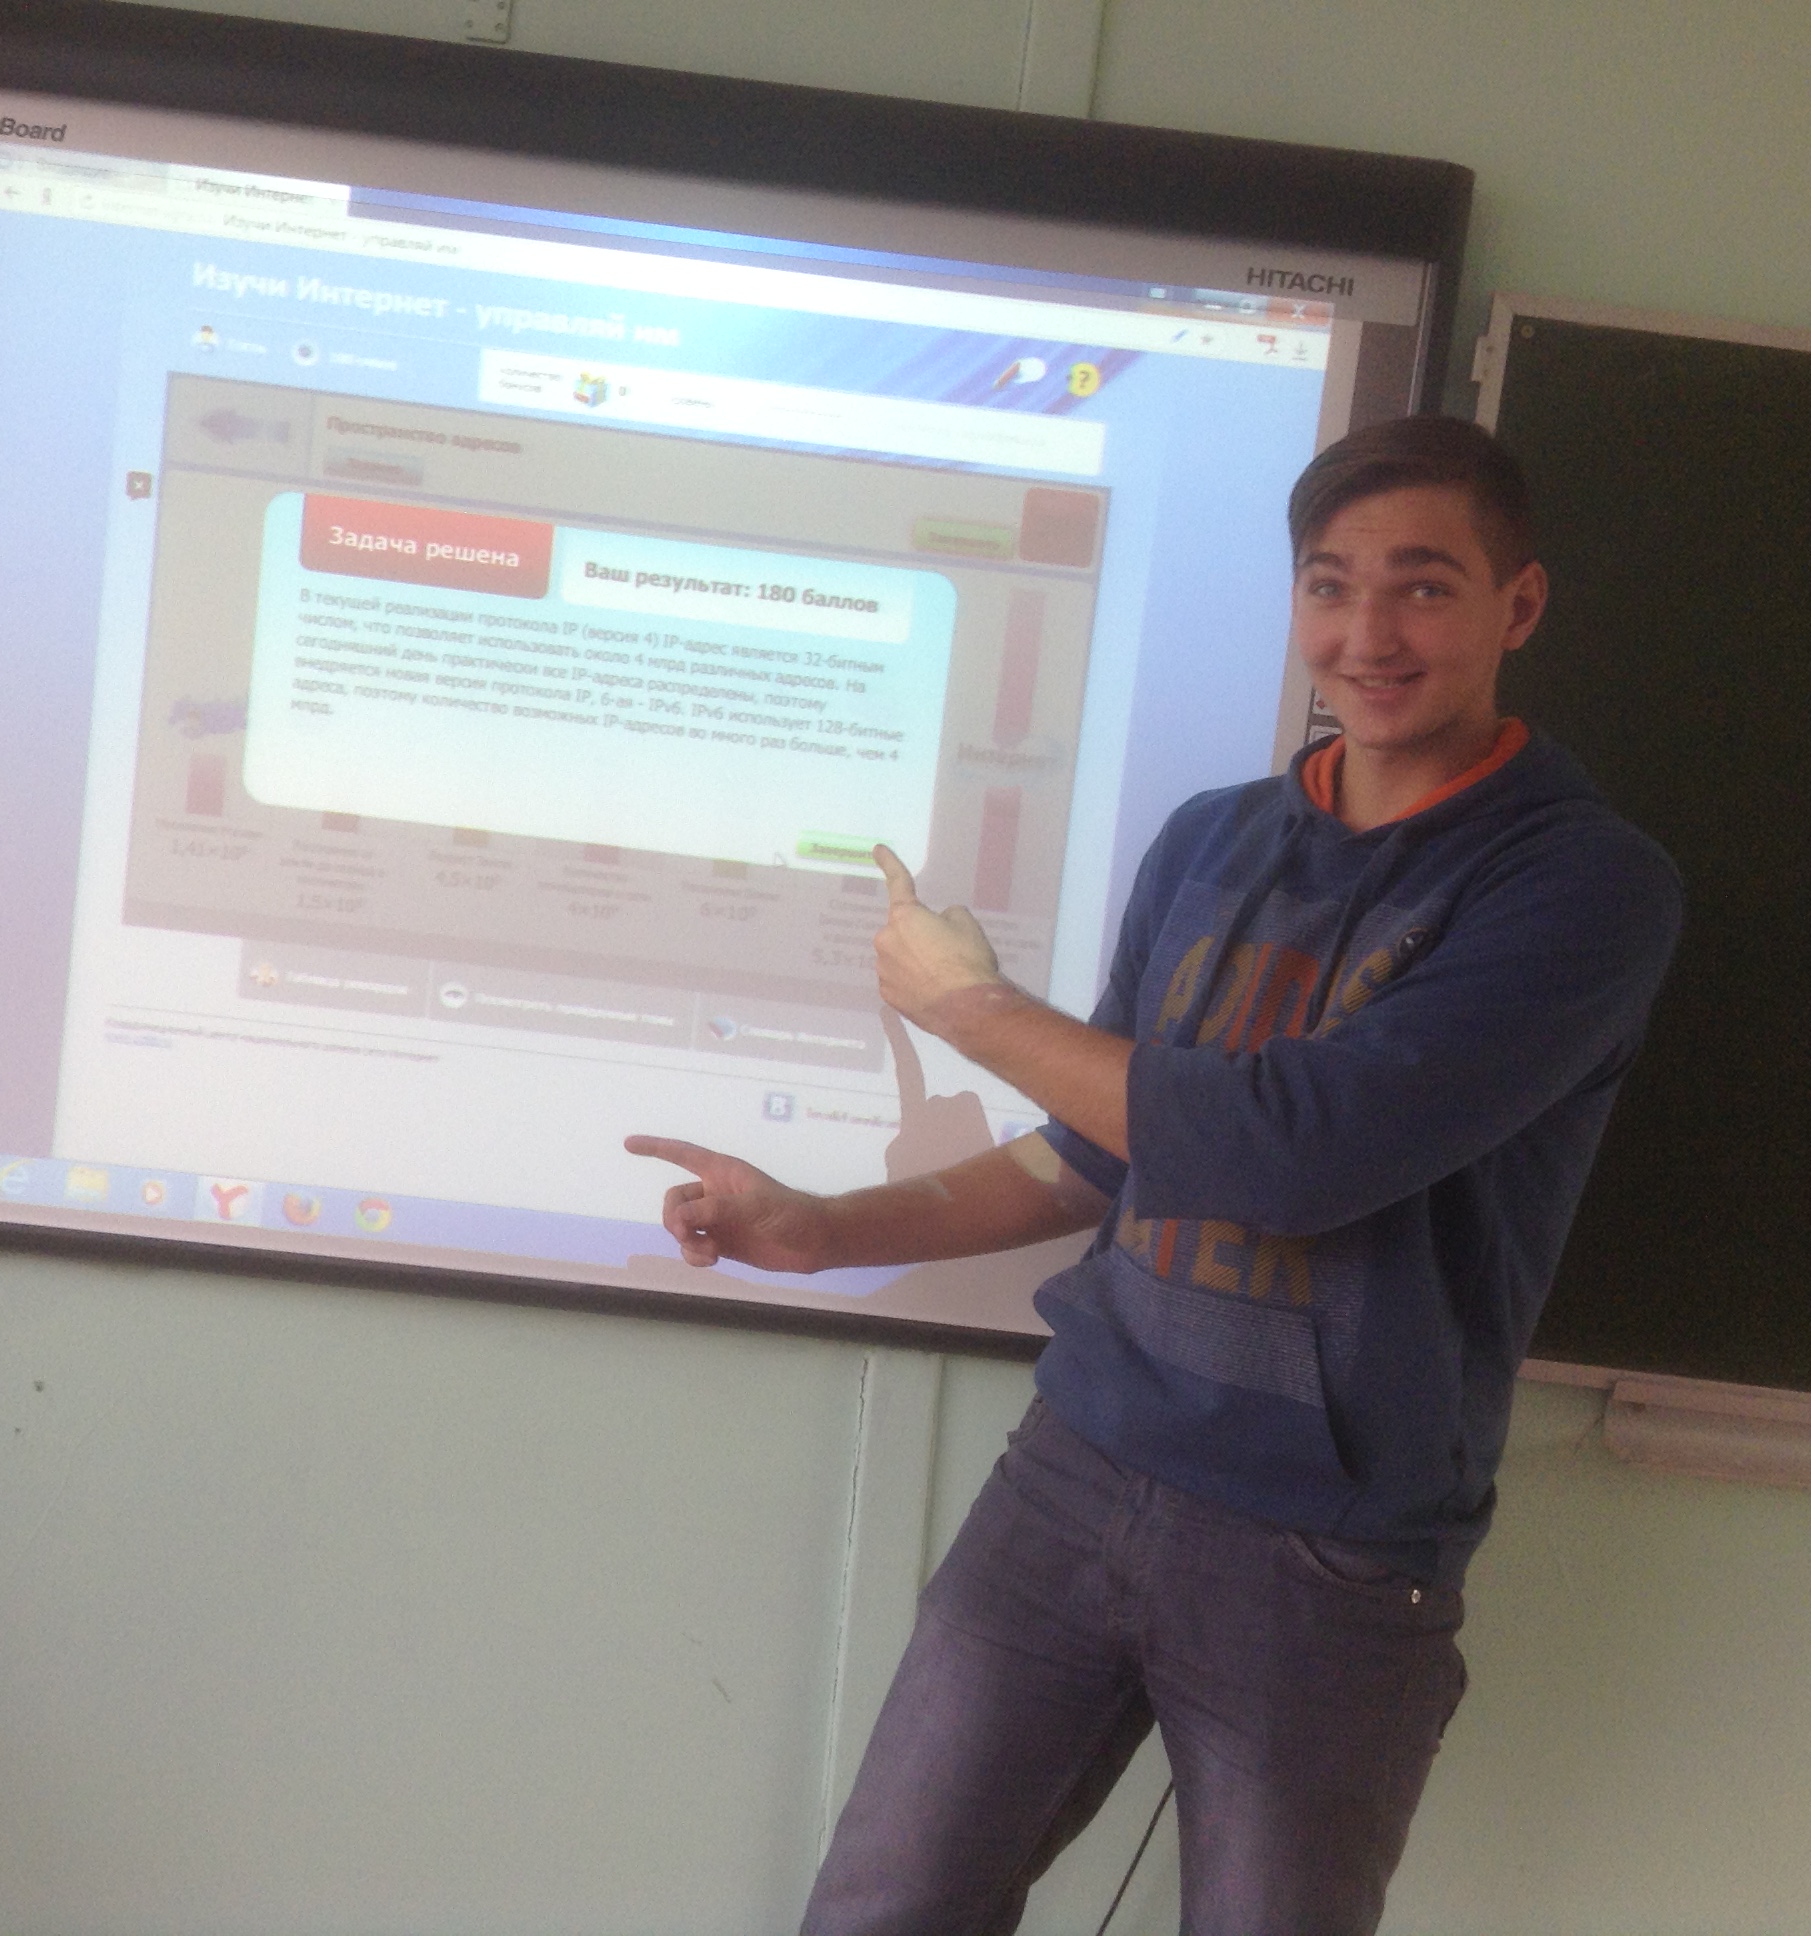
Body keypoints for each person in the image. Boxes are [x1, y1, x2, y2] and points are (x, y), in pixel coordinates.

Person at [628, 414, 1683, 1936]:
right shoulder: (1212, 841)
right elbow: (1087, 1156)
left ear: (1518, 606)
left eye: (1424, 586)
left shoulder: (1582, 885)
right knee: (881, 1909)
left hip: (1327, 1545)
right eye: (1330, 586)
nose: (1367, 635)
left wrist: (971, 1009)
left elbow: (1293, 1154)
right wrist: (824, 1228)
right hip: (1075, 1469)